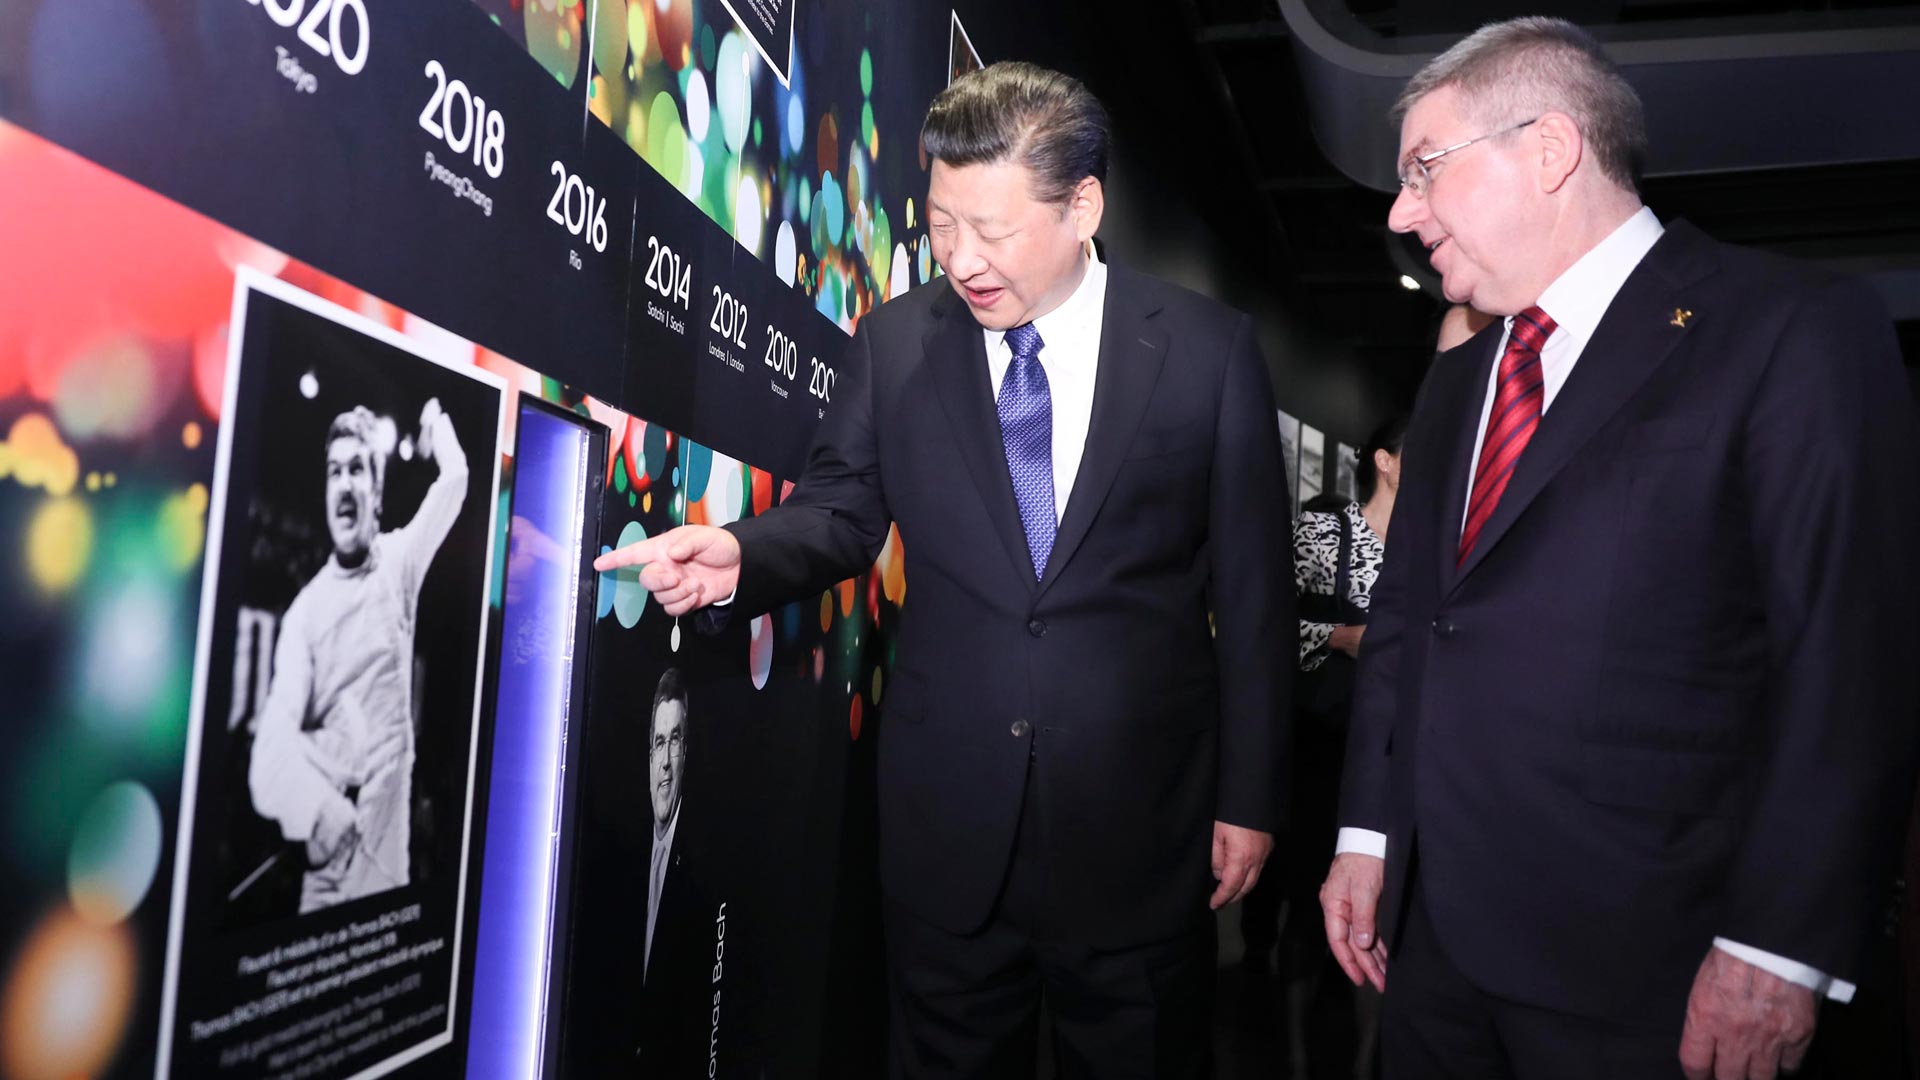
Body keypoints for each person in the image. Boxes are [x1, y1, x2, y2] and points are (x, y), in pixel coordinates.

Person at [596, 60, 1292, 1076]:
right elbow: (841, 511)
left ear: (1082, 208)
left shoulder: (1205, 352)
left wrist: (1251, 797)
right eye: (940, 225)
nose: (962, 260)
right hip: (948, 829)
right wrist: (742, 553)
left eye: (992, 231)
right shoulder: (896, 343)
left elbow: (1256, 600)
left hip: (1141, 828)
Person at [1318, 17, 1920, 1080]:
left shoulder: (1788, 329)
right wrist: (1367, 834)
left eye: (1424, 169)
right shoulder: (1458, 383)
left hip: (1652, 966)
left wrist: (1776, 945)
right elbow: (1410, 622)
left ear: (1550, 150)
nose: (1403, 212)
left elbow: (1848, 659)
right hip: (1432, 949)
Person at [249, 399, 468, 913]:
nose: (344, 485)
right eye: (335, 472)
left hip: (389, 880)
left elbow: (456, 478)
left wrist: (435, 420)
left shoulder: (399, 562)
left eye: (357, 470)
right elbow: (269, 755)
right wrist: (320, 808)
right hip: (326, 885)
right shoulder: (304, 614)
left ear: (378, 492)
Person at [1245, 416, 1403, 1080]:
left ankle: (1366, 1059)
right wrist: (1343, 638)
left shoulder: (1430, 546)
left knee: (1386, 912)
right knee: (1311, 900)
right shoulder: (1327, 527)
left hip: (1396, 751)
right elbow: (1270, 624)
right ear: (1385, 461)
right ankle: (1295, 1057)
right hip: (1324, 745)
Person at [635, 666, 708, 1072]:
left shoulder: (699, 868)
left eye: (675, 741)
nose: (665, 762)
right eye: (659, 743)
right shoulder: (626, 863)